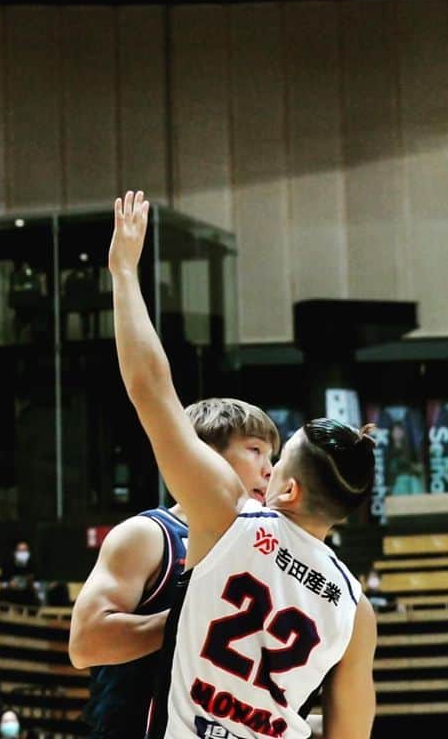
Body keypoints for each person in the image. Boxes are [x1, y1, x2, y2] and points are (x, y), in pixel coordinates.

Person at [106, 190, 377, 739]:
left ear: (289, 491)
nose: (264, 470)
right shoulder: (356, 607)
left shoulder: (230, 519)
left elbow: (150, 388)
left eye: (276, 464)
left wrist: (124, 273)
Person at [71, 397, 281, 739]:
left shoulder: (261, 550)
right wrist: (194, 618)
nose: (269, 469)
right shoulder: (149, 535)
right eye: (255, 450)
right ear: (205, 457)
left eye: (271, 457)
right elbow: (85, 643)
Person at [0, 540, 40, 607]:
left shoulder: (33, 564)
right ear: (15, 552)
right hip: (11, 592)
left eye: (24, 550)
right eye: (19, 550)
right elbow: (3, 583)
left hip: (27, 593)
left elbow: (37, 584)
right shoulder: (8, 564)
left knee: (35, 600)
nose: (22, 553)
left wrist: (32, 585)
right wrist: (8, 584)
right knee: (3, 595)